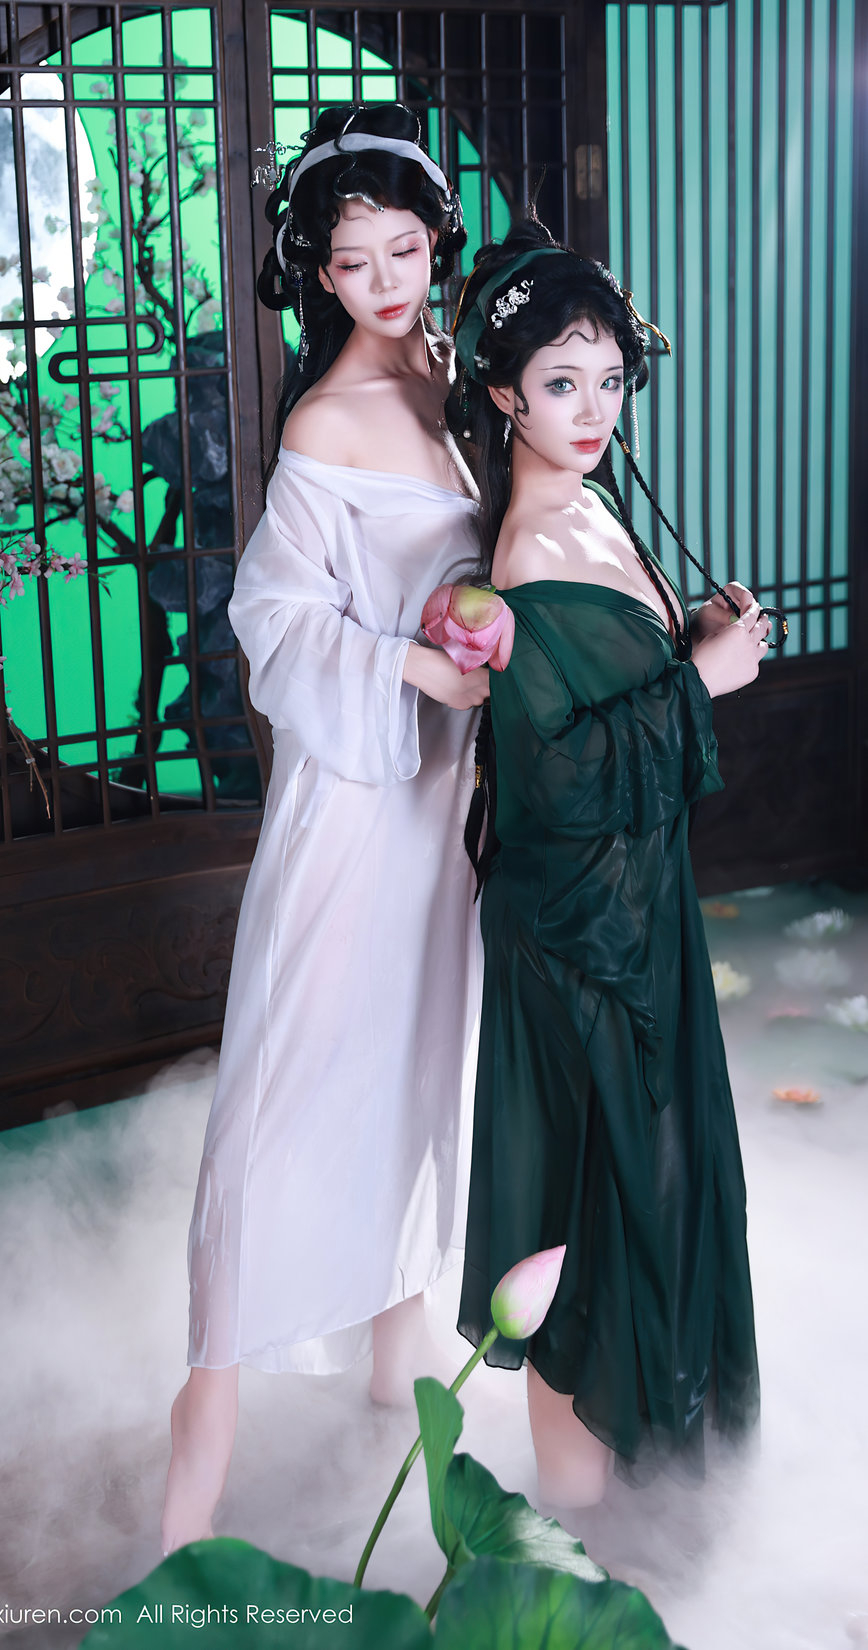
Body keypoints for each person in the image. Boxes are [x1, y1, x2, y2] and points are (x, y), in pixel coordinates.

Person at [161, 104, 489, 1554]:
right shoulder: (325, 418)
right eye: (353, 264)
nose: (384, 283)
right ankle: (187, 1498)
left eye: (403, 250)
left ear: (436, 241)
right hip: (355, 808)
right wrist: (409, 661)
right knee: (286, 1098)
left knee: (417, 1074)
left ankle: (389, 1381)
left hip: (446, 804)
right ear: (319, 274)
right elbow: (275, 618)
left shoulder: (457, 377)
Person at [451, 217, 763, 1509]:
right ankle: (574, 1517)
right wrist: (700, 680)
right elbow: (561, 783)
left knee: (658, 1192)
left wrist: (691, 636)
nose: (592, 410)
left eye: (610, 379)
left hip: (639, 917)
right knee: (591, 1211)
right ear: (504, 395)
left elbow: (611, 696)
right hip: (579, 937)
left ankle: (650, 1503)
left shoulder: (589, 503)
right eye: (562, 383)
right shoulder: (524, 553)